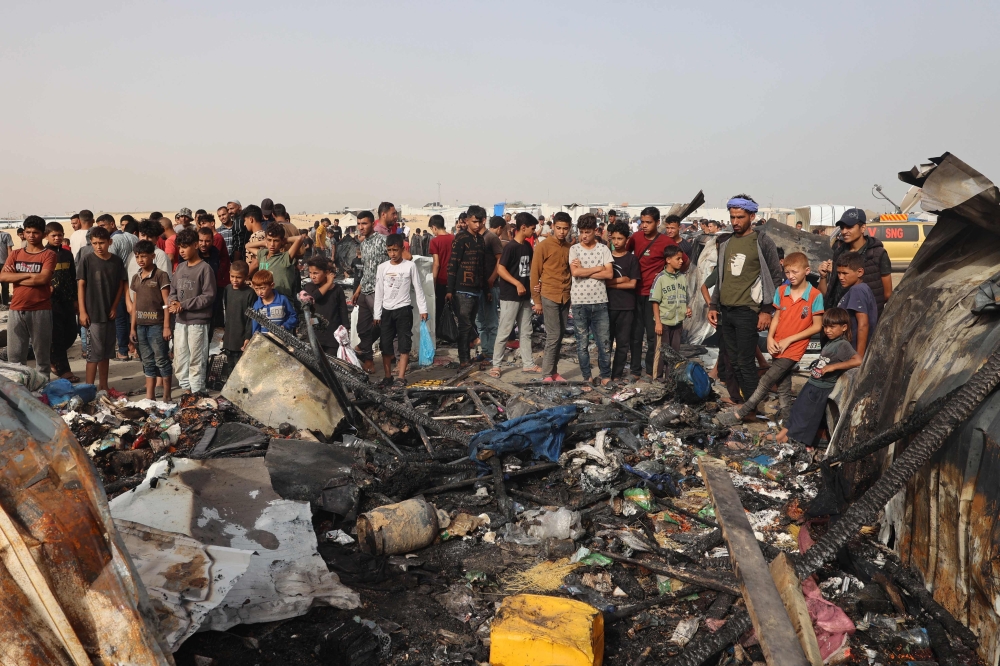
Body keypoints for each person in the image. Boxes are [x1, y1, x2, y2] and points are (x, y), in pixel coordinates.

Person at [717, 252, 823, 426]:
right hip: (777, 345)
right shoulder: (782, 291)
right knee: (783, 385)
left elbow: (817, 326)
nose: (791, 276)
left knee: (766, 380)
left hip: (794, 348)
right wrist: (770, 339)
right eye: (787, 272)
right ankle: (787, 422)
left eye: (795, 272)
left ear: (807, 271)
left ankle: (741, 414)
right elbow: (776, 317)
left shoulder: (814, 296)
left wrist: (790, 340)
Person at [707, 195, 785, 403]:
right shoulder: (725, 243)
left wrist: (767, 310)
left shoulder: (762, 241)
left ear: (752, 216)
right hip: (726, 311)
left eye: (740, 217)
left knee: (745, 361)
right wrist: (713, 305)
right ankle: (737, 399)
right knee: (731, 361)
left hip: (748, 311)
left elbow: (776, 276)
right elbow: (721, 280)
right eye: (732, 217)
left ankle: (751, 407)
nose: (735, 222)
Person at [777, 308, 861, 445]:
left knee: (805, 418)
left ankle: (789, 441)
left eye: (832, 327)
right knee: (797, 411)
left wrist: (833, 367)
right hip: (812, 384)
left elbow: (858, 360)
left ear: (844, 327)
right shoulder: (831, 341)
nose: (827, 330)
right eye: (826, 326)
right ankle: (781, 436)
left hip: (820, 390)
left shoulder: (843, 345)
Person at [626, 206, 687, 380]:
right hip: (635, 292)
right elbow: (625, 251)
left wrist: (667, 278)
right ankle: (635, 370)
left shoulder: (666, 242)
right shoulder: (636, 237)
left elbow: (683, 262)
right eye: (642, 222)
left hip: (653, 297)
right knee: (636, 335)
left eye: (648, 222)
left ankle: (652, 370)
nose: (644, 225)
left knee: (653, 336)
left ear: (657, 223)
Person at [1, 216, 55, 379]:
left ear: (43, 234)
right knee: (15, 357)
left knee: (42, 357)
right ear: (24, 233)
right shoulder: (16, 254)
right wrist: (30, 274)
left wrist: (17, 276)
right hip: (16, 309)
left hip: (41, 309)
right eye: (28, 232)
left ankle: (42, 389)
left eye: (35, 232)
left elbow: (43, 279)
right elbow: (3, 277)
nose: (31, 236)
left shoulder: (49, 255)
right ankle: (19, 392)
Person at [490, 213, 542, 377]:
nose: (534, 232)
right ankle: (496, 365)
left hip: (525, 297)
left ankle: (528, 364)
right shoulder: (511, 247)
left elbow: (531, 269)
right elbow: (501, 269)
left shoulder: (527, 246)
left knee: (526, 331)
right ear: (523, 227)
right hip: (510, 296)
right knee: (505, 331)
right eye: (532, 228)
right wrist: (517, 283)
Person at [373, 234, 428, 387]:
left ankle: (401, 377)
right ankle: (387, 376)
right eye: (389, 250)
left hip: (404, 310)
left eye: (395, 250)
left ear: (402, 249)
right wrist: (377, 313)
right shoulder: (382, 268)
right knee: (385, 344)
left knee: (404, 344)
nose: (393, 254)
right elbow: (379, 292)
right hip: (387, 311)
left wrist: (423, 309)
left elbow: (418, 288)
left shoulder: (410, 266)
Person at [168, 229, 217, 395]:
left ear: (196, 245)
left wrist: (183, 305)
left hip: (198, 322)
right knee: (180, 359)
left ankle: (198, 393)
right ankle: (187, 392)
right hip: (180, 322)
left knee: (197, 360)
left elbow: (208, 296)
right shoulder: (180, 267)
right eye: (179, 247)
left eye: (185, 247)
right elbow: (173, 290)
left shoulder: (205, 269)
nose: (181, 251)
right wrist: (173, 302)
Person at [818, 208, 892, 317]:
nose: (844, 231)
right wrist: (823, 276)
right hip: (841, 319)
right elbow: (831, 291)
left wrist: (867, 311)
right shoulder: (839, 252)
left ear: (862, 228)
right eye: (842, 228)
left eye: (850, 227)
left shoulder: (878, 254)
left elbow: (887, 294)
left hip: (866, 321)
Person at [77, 226, 125, 390]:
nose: (98, 246)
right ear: (91, 242)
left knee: (106, 353)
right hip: (93, 314)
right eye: (95, 243)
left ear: (109, 242)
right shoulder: (87, 260)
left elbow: (120, 285)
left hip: (109, 314)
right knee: (93, 355)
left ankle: (103, 387)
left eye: (102, 243)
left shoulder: (116, 261)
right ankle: (89, 388)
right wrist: (82, 311)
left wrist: (114, 306)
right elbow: (81, 285)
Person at [568, 214, 614, 386]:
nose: (583, 236)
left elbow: (609, 274)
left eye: (587, 232)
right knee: (582, 344)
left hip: (600, 302)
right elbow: (575, 273)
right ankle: (586, 377)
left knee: (604, 342)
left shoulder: (603, 249)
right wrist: (597, 268)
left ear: (596, 231)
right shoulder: (574, 249)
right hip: (580, 303)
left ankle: (605, 376)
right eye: (581, 232)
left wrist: (585, 270)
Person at [128, 240, 172, 401]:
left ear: (153, 256)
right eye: (137, 256)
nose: (140, 260)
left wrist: (167, 326)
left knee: (161, 360)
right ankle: (150, 397)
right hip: (140, 326)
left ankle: (167, 395)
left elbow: (167, 304)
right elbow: (135, 305)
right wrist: (132, 328)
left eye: (144, 256)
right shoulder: (136, 277)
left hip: (157, 326)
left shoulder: (161, 275)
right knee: (147, 361)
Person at [530, 211, 572, 381]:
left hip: (565, 295)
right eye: (559, 228)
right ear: (552, 226)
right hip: (548, 294)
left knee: (560, 334)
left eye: (565, 229)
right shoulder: (543, 246)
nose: (562, 232)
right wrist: (537, 301)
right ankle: (547, 374)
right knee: (554, 335)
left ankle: (553, 372)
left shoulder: (570, 248)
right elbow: (534, 274)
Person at [447, 206, 489, 369]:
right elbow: (453, 264)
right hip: (462, 290)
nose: (477, 225)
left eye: (480, 222)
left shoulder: (480, 240)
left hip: (476, 289)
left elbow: (482, 267)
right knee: (465, 326)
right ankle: (463, 359)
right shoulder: (461, 238)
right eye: (474, 221)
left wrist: (485, 289)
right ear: (467, 220)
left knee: (470, 324)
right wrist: (450, 290)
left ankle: (467, 357)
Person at [352, 211, 387, 373]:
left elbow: (404, 257)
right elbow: (366, 271)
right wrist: (357, 291)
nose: (361, 227)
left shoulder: (383, 241)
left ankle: (362, 349)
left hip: (379, 292)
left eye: (364, 223)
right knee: (362, 327)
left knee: (380, 325)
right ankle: (368, 360)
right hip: (364, 290)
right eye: (359, 224)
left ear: (373, 224)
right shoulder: (363, 244)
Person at [45, 222, 79, 381]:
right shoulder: (43, 254)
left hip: (67, 300)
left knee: (72, 333)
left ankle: (53, 357)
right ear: (47, 236)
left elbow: (73, 278)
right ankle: (64, 370)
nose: (57, 238)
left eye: (60, 235)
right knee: (57, 336)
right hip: (51, 302)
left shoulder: (67, 255)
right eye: (54, 235)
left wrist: (75, 299)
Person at [605, 222, 640, 381]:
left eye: (620, 238)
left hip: (626, 307)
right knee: (606, 343)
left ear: (627, 240)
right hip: (607, 306)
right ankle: (605, 373)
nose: (616, 242)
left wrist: (613, 282)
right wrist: (622, 280)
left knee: (622, 344)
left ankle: (617, 375)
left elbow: (632, 284)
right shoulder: (606, 257)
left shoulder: (632, 259)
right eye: (614, 238)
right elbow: (603, 282)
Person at [650, 245, 692, 362]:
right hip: (664, 323)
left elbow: (685, 298)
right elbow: (655, 301)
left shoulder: (682, 278)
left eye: (681, 258)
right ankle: (658, 378)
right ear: (668, 260)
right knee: (661, 352)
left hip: (678, 322)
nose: (681, 261)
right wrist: (658, 322)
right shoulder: (660, 278)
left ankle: (670, 377)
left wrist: (687, 309)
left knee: (674, 354)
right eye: (678, 259)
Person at [834, 251, 878, 356]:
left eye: (844, 273)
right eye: (839, 273)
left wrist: (858, 357)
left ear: (860, 272)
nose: (840, 277)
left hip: (854, 352)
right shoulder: (860, 288)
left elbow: (863, 324)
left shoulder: (857, 290)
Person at [303, 256, 349, 356]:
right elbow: (314, 297)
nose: (312, 276)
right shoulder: (309, 287)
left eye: (316, 273)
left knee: (331, 364)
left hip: (332, 336)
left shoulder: (337, 290)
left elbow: (343, 311)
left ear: (326, 273)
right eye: (310, 273)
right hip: (315, 335)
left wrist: (346, 328)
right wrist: (328, 283)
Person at [248, 224, 305, 301]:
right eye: (269, 240)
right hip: (265, 302)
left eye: (276, 241)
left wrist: (285, 240)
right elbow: (248, 246)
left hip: (282, 302)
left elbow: (300, 238)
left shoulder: (285, 258)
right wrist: (264, 243)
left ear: (281, 241)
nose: (272, 244)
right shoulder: (263, 254)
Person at [477, 216, 504, 361]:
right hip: (478, 287)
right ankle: (486, 351)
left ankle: (493, 352)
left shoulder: (492, 238)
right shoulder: (475, 238)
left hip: (491, 286)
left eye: (478, 221)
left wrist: (492, 278)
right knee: (480, 322)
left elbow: (500, 259)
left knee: (491, 322)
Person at [222, 260, 255, 377]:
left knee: (241, 370)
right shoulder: (227, 290)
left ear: (246, 277)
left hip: (241, 338)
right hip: (229, 338)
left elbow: (251, 318)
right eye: (232, 276)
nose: (235, 280)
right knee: (230, 369)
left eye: (239, 277)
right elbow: (226, 311)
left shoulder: (250, 293)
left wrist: (247, 337)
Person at [428, 215, 454, 337]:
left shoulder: (434, 241)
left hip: (441, 280)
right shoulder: (454, 238)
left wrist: (432, 282)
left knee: (438, 310)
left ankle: (440, 335)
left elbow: (436, 264)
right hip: (454, 280)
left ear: (434, 227)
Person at [250, 269, 298, 335]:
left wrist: (284, 326)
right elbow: (256, 329)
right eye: (256, 289)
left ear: (272, 285)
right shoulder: (257, 306)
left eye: (263, 288)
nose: (259, 292)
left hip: (282, 341)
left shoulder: (282, 300)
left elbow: (293, 317)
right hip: (264, 342)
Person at [0, 225, 13, 308]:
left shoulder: (6, 235)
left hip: (3, 264)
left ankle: (5, 303)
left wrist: (9, 262)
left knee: (5, 285)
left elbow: (9, 249)